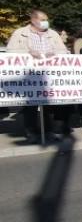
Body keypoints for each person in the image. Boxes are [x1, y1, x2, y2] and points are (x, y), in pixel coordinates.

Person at [6, 10, 70, 141]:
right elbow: (10, 52)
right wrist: (28, 53)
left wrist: (55, 53)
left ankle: (54, 131)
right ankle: (31, 132)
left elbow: (64, 51)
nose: (46, 22)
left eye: (46, 19)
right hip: (30, 76)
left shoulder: (52, 34)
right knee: (30, 107)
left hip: (51, 76)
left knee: (55, 104)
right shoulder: (20, 33)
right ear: (33, 20)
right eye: (43, 19)